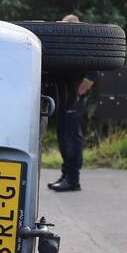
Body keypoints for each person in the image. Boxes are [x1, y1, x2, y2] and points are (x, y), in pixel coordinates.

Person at [48, 14, 97, 193]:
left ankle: (73, 179)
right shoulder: (66, 46)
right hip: (63, 97)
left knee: (71, 138)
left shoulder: (83, 46)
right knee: (63, 137)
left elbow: (93, 74)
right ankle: (66, 174)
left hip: (75, 98)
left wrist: (78, 93)